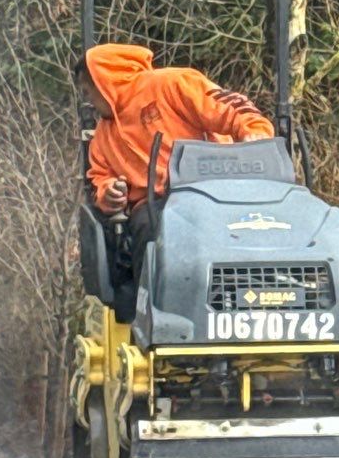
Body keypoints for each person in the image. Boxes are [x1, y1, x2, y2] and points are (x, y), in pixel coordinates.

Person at [81, 42, 274, 292]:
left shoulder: (171, 84)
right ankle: (152, 305)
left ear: (104, 80)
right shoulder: (102, 137)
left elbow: (229, 107)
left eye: (88, 92)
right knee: (150, 227)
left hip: (216, 189)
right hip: (156, 206)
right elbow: (99, 178)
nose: (89, 101)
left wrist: (254, 130)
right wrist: (109, 194)